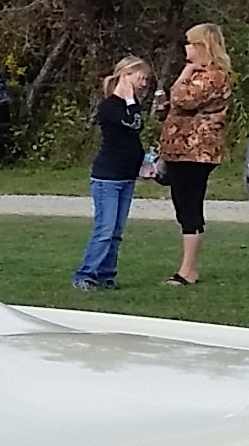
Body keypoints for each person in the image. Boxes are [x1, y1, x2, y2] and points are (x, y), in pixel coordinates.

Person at [154, 23, 234, 285]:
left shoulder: (214, 76)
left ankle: (188, 271)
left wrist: (184, 73)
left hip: (196, 151)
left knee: (189, 207)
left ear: (202, 45)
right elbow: (170, 105)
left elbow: (182, 99)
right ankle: (187, 267)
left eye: (189, 43)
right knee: (182, 206)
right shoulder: (198, 75)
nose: (186, 48)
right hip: (180, 150)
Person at [74, 56, 148, 291]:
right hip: (108, 177)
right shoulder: (109, 107)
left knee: (116, 231)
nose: (145, 83)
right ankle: (85, 274)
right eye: (141, 78)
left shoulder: (130, 105)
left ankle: (106, 275)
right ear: (125, 76)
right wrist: (128, 99)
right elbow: (134, 124)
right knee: (104, 229)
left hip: (126, 176)